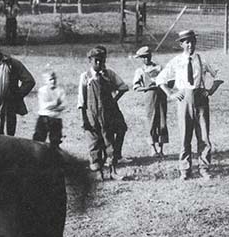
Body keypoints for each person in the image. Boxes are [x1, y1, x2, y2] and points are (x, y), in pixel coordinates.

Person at [156, 30, 222, 180]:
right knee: (185, 135)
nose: (190, 45)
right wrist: (171, 94)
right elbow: (160, 79)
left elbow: (219, 73)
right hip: (184, 99)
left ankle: (204, 168)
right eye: (187, 42)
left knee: (203, 135)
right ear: (181, 44)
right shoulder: (177, 61)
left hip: (200, 99)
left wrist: (211, 90)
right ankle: (185, 169)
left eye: (192, 41)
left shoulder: (201, 59)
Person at [78, 47, 129, 177]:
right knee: (94, 143)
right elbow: (81, 101)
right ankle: (99, 173)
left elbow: (123, 87)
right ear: (90, 60)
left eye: (102, 60)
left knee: (109, 141)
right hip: (91, 115)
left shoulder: (109, 74)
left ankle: (113, 171)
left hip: (107, 115)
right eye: (96, 61)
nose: (99, 64)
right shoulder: (85, 77)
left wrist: (113, 100)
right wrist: (84, 119)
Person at [132, 46, 168, 157]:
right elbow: (136, 86)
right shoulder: (140, 71)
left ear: (151, 56)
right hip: (149, 98)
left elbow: (167, 81)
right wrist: (147, 88)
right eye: (143, 58)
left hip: (161, 96)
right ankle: (153, 148)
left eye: (147, 57)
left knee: (162, 121)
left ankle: (161, 148)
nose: (145, 59)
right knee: (151, 122)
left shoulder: (159, 68)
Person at [33, 71, 66, 148]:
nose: (53, 81)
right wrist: (55, 103)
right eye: (50, 79)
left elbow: (63, 106)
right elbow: (43, 106)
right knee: (38, 142)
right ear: (45, 80)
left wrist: (51, 106)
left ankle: (53, 159)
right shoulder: (42, 91)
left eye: (54, 79)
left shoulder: (60, 91)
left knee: (55, 143)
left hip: (56, 119)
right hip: (44, 119)